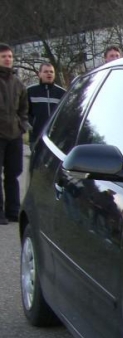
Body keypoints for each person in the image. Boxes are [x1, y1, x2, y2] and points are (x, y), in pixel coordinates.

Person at [0, 43, 28, 225]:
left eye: (10, 56)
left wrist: (22, 125)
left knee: (13, 173)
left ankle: (13, 211)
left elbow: (24, 107)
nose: (7, 59)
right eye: (3, 56)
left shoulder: (18, 83)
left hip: (14, 135)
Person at [27, 62, 66, 148]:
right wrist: (31, 126)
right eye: (46, 71)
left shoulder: (62, 93)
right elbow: (24, 112)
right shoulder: (30, 91)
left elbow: (66, 114)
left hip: (56, 138)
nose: (49, 74)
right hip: (36, 137)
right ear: (39, 74)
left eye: (51, 72)